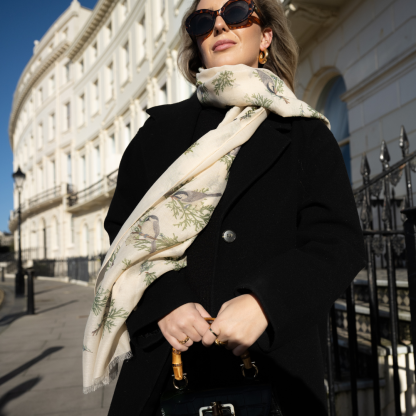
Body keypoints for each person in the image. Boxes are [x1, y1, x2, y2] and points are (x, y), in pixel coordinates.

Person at [101, 0, 365, 414]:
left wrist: (265, 301)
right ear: (196, 44)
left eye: (237, 11)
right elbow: (123, 232)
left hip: (276, 370)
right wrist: (163, 302)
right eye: (203, 20)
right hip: (166, 371)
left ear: (265, 37)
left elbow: (339, 242)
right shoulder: (157, 133)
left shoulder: (304, 132)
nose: (219, 23)